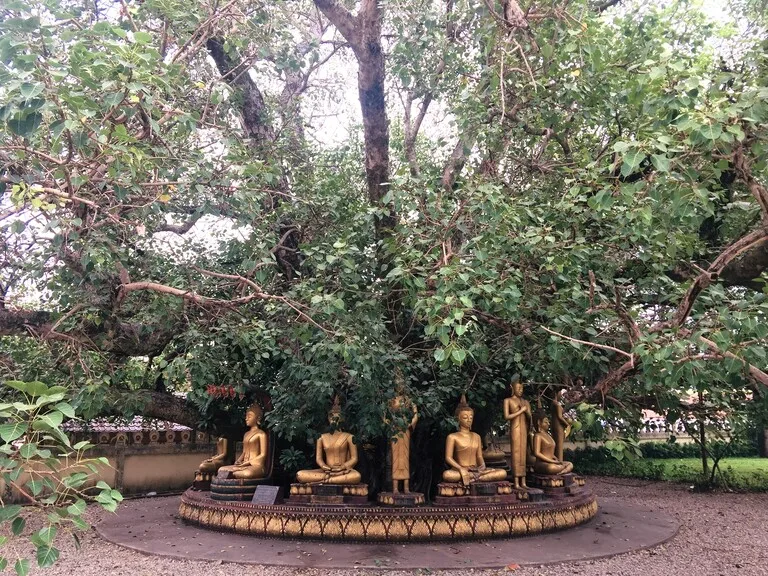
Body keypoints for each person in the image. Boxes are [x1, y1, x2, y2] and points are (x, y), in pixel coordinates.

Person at [442, 395, 507, 485]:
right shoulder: (452, 437)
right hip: (459, 470)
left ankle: (475, 478)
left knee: (502, 472)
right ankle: (479, 478)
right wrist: (461, 468)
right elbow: (448, 458)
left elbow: (479, 457)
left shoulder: (476, 436)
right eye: (465, 417)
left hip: (476, 470)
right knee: (447, 475)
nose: (469, 420)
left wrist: (482, 467)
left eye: (471, 417)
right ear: (458, 419)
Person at [295, 397, 362, 485]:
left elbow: (354, 458)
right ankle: (333, 480)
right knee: (300, 474)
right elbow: (319, 459)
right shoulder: (321, 437)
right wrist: (325, 467)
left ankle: (326, 481)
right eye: (331, 417)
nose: (333, 420)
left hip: (343, 471)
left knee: (356, 476)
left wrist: (342, 467)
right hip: (327, 472)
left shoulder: (349, 437)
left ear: (342, 419)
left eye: (336, 417)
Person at [216, 403, 268, 479]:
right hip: (243, 464)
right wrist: (238, 461)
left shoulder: (261, 434)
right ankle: (237, 472)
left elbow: (263, 454)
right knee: (222, 469)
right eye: (246, 416)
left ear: (258, 418)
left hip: (256, 465)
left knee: (247, 473)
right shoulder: (246, 434)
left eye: (249, 416)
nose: (246, 418)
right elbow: (244, 452)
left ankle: (237, 472)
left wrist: (248, 463)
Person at [503, 377, 532, 488]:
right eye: (518, 388)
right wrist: (521, 411)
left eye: (522, 388)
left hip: (524, 428)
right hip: (515, 428)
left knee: (523, 453)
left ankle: (523, 481)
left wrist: (528, 412)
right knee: (516, 453)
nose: (520, 390)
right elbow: (507, 416)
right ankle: (516, 481)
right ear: (513, 388)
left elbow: (530, 417)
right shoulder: (508, 401)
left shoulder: (525, 402)